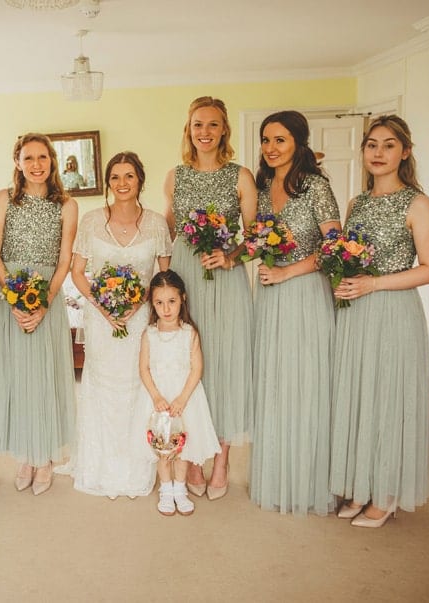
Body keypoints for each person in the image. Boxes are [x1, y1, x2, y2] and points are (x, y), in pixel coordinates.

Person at [329, 115, 429, 527]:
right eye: (372, 145)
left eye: (388, 145)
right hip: (356, 311)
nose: (378, 153)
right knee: (360, 397)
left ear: (405, 152)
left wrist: (374, 284)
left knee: (388, 398)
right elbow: (346, 254)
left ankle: (387, 493)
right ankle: (361, 487)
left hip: (393, 311)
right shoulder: (357, 203)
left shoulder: (417, 203)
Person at [248, 110, 342, 516]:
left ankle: (308, 482)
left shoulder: (316, 187)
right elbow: (255, 236)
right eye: (266, 140)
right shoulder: (263, 185)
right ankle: (275, 475)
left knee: (307, 384)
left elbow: (335, 246)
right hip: (270, 294)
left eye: (280, 140)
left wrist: (289, 271)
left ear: (299, 144)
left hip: (305, 293)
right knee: (274, 383)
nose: (270, 148)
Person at [163, 96, 256, 500]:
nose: (205, 132)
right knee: (188, 363)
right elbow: (170, 231)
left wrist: (232, 254)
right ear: (189, 129)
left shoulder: (241, 175)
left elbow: (255, 237)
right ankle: (193, 457)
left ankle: (221, 459)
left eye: (213, 125)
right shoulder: (175, 176)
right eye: (198, 125)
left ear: (224, 131)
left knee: (224, 362)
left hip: (226, 277)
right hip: (188, 274)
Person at [66, 151, 171, 499]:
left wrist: (137, 304)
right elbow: (77, 272)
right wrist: (103, 306)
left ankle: (135, 467)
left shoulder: (156, 222)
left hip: (139, 319)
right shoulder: (92, 220)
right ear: (108, 182)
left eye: (129, 176)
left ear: (140, 180)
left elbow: (162, 276)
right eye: (115, 177)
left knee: (136, 386)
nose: (122, 183)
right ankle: (101, 466)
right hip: (100, 319)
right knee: (103, 388)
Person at [0, 132, 78, 496]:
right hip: (9, 295)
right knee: (18, 378)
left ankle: (45, 458)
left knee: (44, 378)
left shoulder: (67, 205)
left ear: (52, 162)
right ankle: (26, 454)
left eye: (43, 157)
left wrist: (43, 303)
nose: (36, 164)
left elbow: (65, 259)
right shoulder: (4, 199)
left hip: (46, 297)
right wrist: (13, 297)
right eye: (29, 158)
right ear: (18, 162)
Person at [138, 270, 221, 516]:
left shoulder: (189, 333)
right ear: (152, 304)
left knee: (182, 446)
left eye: (171, 301)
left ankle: (180, 489)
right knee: (162, 446)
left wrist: (183, 398)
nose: (166, 308)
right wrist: (156, 397)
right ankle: (165, 489)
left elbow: (197, 368)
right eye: (159, 303)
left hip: (185, 399)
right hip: (159, 400)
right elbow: (143, 368)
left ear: (182, 299)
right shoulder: (149, 334)